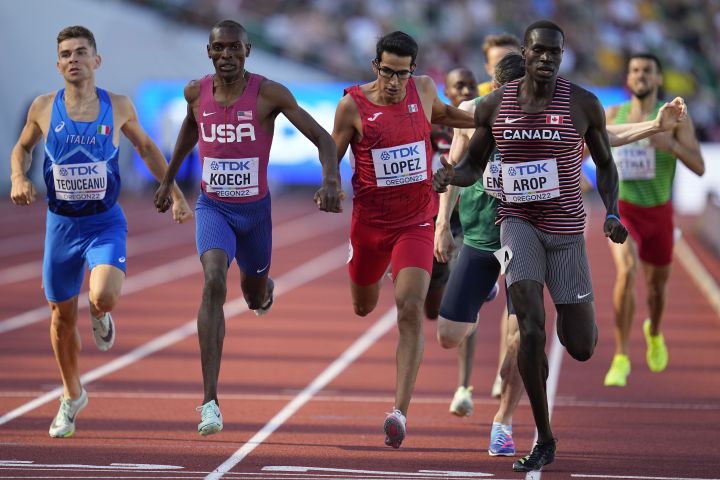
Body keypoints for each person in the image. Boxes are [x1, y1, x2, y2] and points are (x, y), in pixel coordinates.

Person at [437, 52, 688, 459]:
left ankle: (503, 421)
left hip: (520, 230)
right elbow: (456, 160)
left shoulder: (557, 118)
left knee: (527, 333)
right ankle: (488, 295)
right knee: (449, 336)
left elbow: (607, 135)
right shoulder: (481, 111)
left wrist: (654, 126)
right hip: (482, 234)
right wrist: (441, 225)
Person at [154, 20, 342, 436]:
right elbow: (191, 126)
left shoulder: (269, 93)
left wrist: (331, 181)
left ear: (248, 50)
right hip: (213, 208)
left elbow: (324, 139)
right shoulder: (195, 92)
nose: (226, 55)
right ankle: (209, 402)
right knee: (214, 280)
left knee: (252, 294)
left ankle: (264, 288)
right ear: (208, 51)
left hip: (255, 214)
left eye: (234, 48)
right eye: (219, 48)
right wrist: (169, 179)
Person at [9, 26, 193, 438]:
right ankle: (72, 396)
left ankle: (101, 312)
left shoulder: (120, 105)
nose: (73, 59)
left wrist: (176, 196)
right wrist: (18, 176)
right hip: (61, 227)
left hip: (104, 222)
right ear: (58, 65)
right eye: (65, 54)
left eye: (81, 52)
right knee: (60, 320)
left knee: (103, 294)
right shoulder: (42, 106)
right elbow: (22, 147)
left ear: (97, 61)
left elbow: (147, 148)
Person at [330, 31, 474, 449]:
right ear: (376, 66)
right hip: (369, 226)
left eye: (402, 73)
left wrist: (494, 115)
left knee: (409, 309)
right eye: (387, 72)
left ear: (414, 70)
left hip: (415, 222)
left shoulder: (424, 90)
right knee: (363, 306)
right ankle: (369, 275)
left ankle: (399, 413)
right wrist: (327, 183)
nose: (394, 81)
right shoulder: (351, 105)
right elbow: (332, 153)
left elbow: (449, 116)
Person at [603, 53, 705, 387]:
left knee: (657, 290)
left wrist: (671, 145)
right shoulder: (613, 114)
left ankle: (655, 331)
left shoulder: (675, 116)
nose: (640, 75)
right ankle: (620, 356)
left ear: (659, 78)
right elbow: (590, 151)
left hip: (659, 212)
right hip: (624, 210)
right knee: (627, 270)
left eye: (647, 70)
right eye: (634, 70)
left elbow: (700, 167)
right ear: (628, 78)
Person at [425, 67, 477, 323]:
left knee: (467, 295)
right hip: (437, 213)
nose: (466, 91)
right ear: (446, 91)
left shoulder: (483, 121)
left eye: (471, 85)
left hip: (471, 216)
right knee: (432, 311)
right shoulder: (434, 126)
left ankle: (481, 285)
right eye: (459, 86)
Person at [477, 34, 522, 98]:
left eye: (513, 62)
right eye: (498, 65)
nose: (507, 69)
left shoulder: (537, 94)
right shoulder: (475, 95)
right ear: (488, 68)